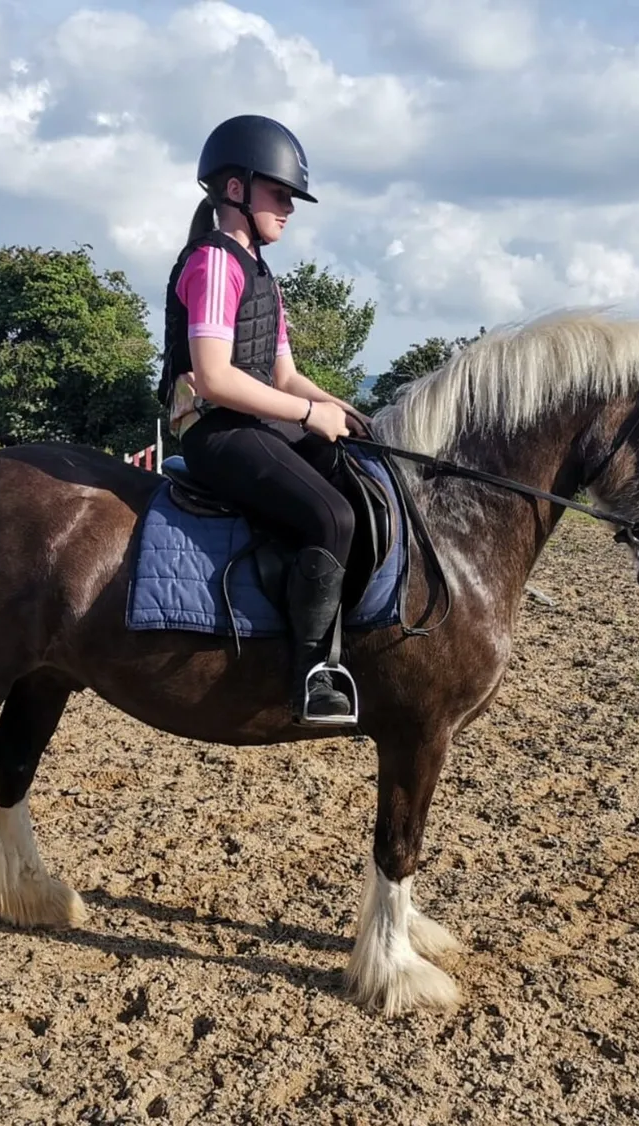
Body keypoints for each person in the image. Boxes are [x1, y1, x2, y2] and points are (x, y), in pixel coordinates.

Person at [158, 114, 371, 725]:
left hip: (259, 422)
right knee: (330, 515)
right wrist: (310, 413)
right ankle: (313, 672)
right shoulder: (214, 264)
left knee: (353, 469)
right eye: (281, 194)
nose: (290, 209)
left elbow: (284, 376)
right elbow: (219, 379)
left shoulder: (261, 275)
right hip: (215, 430)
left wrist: (347, 411)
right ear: (236, 190)